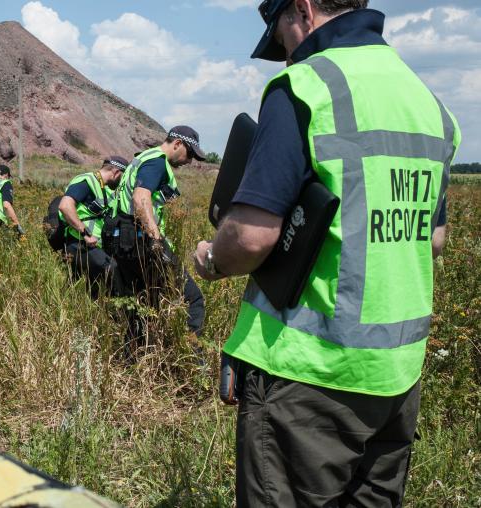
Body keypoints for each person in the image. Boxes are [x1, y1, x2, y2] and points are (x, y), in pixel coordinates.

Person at [192, 1, 459, 505]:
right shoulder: (428, 103)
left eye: (281, 38)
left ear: (304, 10)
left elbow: (250, 236)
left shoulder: (306, 88)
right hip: (399, 377)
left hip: (307, 380)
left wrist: (211, 258)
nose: (287, 55)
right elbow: (435, 239)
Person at [109, 126, 207, 342]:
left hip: (126, 240)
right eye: (189, 154)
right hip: (142, 241)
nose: (189, 161)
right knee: (192, 299)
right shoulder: (157, 161)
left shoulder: (144, 157)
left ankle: (132, 360)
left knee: (145, 304)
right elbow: (140, 199)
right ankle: (192, 355)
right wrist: (157, 241)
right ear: (177, 144)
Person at [58, 156, 127, 296]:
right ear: (116, 173)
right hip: (79, 242)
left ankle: (69, 309)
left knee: (84, 284)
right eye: (122, 177)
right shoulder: (87, 181)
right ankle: (119, 313)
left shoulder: (103, 187)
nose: (120, 182)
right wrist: (86, 234)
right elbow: (65, 206)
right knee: (111, 269)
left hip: (89, 244)